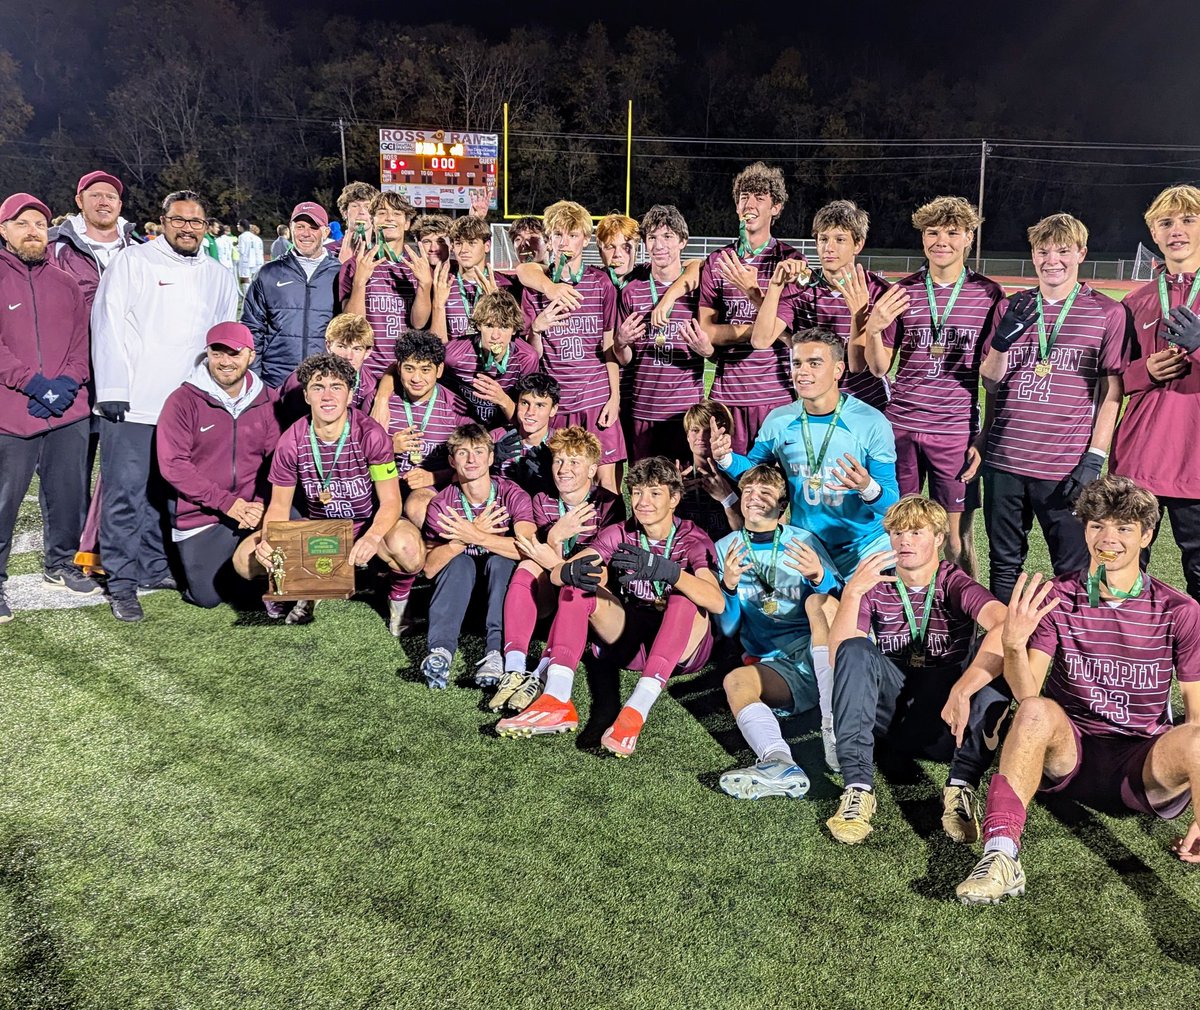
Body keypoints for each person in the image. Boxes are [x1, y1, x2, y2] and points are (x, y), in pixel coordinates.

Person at [956, 475, 1200, 904]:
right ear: (1084, 530)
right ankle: (1000, 856)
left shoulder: (1179, 610)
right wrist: (1012, 645)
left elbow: (1195, 714)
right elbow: (1028, 695)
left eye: (1123, 528)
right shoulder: (1056, 596)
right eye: (1097, 525)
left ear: (1147, 536)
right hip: (1072, 756)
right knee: (1035, 711)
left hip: (1144, 766)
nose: (1108, 539)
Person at [497, 457, 723, 758]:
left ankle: (634, 712)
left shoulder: (693, 539)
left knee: (684, 598)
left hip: (683, 650)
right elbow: (560, 573)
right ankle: (557, 698)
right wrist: (566, 571)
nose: (643, 502)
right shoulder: (622, 532)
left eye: (655, 493)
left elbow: (716, 602)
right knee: (578, 585)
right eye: (638, 492)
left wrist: (669, 572)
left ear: (674, 499)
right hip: (631, 641)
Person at [825, 496, 1009, 845]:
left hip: (950, 723)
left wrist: (964, 689)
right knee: (854, 648)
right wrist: (852, 593)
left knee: (1003, 651)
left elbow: (1005, 625)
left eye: (915, 532)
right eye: (897, 533)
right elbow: (839, 658)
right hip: (892, 721)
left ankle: (961, 787)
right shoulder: (875, 585)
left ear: (939, 538)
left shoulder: (954, 582)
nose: (904, 541)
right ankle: (857, 789)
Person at [91, 190, 238, 621]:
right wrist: (112, 388)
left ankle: (154, 568)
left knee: (170, 492)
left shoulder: (219, 275)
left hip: (188, 408)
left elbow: (220, 342)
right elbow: (107, 322)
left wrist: (215, 395)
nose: (187, 228)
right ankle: (121, 583)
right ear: (162, 221)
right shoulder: (133, 261)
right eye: (179, 220)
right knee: (125, 494)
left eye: (196, 221)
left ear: (206, 226)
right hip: (135, 403)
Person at [973, 213, 1132, 607]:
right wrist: (1000, 344)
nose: (1052, 260)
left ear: (1081, 253)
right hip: (1005, 459)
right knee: (1004, 565)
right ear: (1033, 255)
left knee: (1075, 566)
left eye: (1062, 251)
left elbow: (1112, 392)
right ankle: (1005, 639)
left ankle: (1077, 638)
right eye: (1043, 251)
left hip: (1064, 464)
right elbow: (990, 381)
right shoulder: (1012, 307)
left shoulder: (1107, 312)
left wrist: (1094, 458)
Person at [857, 196, 1004, 574]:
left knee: (956, 541)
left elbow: (993, 380)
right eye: (932, 232)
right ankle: (896, 606)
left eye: (952, 232)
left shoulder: (989, 294)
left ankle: (961, 610)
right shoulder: (901, 291)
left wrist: (984, 435)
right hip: (901, 428)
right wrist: (872, 330)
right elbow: (878, 367)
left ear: (969, 237)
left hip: (954, 431)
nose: (941, 241)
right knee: (896, 532)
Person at [233, 352, 423, 624]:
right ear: (306, 395)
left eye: (336, 387)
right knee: (245, 559)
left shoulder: (371, 434)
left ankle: (398, 600)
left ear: (350, 394)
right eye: (318, 387)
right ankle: (299, 590)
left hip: (365, 525)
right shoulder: (291, 441)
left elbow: (391, 502)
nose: (327, 396)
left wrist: (372, 537)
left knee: (408, 549)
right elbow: (278, 506)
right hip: (319, 529)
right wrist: (269, 541)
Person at [712, 328, 897, 580]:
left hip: (866, 548)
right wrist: (725, 458)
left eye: (814, 363)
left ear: (838, 370)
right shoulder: (779, 420)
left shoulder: (871, 422)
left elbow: (891, 505)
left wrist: (866, 486)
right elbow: (754, 475)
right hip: (807, 547)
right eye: (797, 363)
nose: (802, 372)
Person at [714, 465, 840, 799]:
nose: (754, 497)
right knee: (735, 681)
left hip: (821, 650)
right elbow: (728, 627)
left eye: (765, 492)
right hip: (778, 666)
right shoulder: (724, 548)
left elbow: (839, 605)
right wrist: (728, 587)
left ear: (782, 506)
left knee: (818, 603)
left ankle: (834, 725)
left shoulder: (803, 541)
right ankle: (778, 761)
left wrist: (819, 577)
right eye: (748, 491)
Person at [0, 192, 96, 622]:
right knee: (4, 501)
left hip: (66, 410)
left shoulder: (66, 282)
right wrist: (35, 385)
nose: (33, 231)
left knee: (68, 494)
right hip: (11, 411)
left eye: (39, 224)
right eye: (22, 224)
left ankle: (61, 563)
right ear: (4, 230)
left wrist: (66, 385)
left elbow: (81, 343)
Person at [1110, 185, 1200, 601]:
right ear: (1154, 233)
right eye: (1166, 222)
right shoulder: (1135, 301)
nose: (1176, 230)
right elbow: (1110, 379)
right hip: (1139, 458)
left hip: (1194, 462)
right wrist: (1141, 371)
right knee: (1122, 570)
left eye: (1188, 220)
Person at [494, 425, 624, 710]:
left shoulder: (609, 504)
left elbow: (599, 570)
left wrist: (553, 545)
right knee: (527, 566)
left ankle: (540, 672)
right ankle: (514, 668)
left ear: (592, 470)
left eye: (574, 462)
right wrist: (555, 537)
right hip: (551, 593)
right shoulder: (542, 500)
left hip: (590, 601)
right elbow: (539, 556)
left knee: (581, 578)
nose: (564, 469)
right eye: (559, 461)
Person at [156, 322, 280, 608]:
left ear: (251, 355)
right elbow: (174, 465)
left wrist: (261, 503)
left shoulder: (269, 399)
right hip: (204, 514)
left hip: (253, 510)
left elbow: (276, 461)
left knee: (285, 561)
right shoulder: (182, 400)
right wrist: (228, 504)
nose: (225, 361)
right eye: (217, 353)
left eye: (234, 353)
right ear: (207, 354)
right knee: (209, 597)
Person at [690, 162, 800, 453]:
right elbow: (707, 331)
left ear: (776, 207)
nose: (749, 204)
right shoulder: (718, 261)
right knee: (727, 476)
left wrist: (752, 293)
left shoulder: (789, 261)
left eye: (759, 197)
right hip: (727, 395)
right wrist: (758, 330)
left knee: (775, 478)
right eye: (744, 197)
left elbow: (788, 334)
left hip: (776, 395)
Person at [420, 422, 536, 689]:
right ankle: (440, 652)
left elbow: (529, 548)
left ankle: (495, 653)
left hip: (500, 589)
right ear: (452, 461)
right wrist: (462, 539)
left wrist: (478, 536)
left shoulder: (511, 494)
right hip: (459, 591)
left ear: (491, 457)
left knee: (501, 560)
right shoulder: (442, 504)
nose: (471, 460)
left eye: (479, 452)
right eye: (463, 453)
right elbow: (429, 569)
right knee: (458, 562)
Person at [372, 330, 473, 635]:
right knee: (406, 548)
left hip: (427, 496)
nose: (417, 378)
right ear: (398, 367)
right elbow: (354, 458)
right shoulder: (381, 403)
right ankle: (399, 604)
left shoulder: (456, 408)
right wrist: (388, 447)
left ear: (439, 370)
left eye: (426, 369)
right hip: (385, 497)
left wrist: (434, 476)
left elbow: (472, 464)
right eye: (409, 368)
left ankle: (444, 588)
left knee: (420, 507)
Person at [522, 200, 624, 491]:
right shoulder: (536, 287)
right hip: (559, 402)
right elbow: (534, 356)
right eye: (558, 234)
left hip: (596, 397)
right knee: (562, 482)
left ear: (586, 239)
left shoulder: (601, 283)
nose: (564, 242)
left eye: (573, 234)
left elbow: (608, 344)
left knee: (605, 482)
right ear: (548, 238)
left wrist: (614, 397)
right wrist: (537, 328)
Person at [752, 199, 891, 411]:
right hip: (818, 406)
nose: (829, 248)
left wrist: (860, 314)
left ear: (858, 244)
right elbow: (761, 340)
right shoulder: (800, 287)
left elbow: (860, 366)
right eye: (823, 239)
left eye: (840, 239)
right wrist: (776, 285)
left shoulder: (879, 291)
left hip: (867, 404)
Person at [614, 205, 706, 462]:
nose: (659, 245)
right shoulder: (632, 291)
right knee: (643, 483)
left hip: (685, 413)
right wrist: (621, 341)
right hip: (643, 410)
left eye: (668, 236)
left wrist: (707, 349)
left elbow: (713, 351)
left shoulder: (698, 290)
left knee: (684, 483)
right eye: (652, 237)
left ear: (683, 241)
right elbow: (624, 358)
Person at [241, 201, 340, 388]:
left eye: (313, 227)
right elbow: (252, 329)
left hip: (324, 381)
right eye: (300, 226)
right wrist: (255, 379)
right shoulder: (269, 273)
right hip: (275, 381)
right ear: (291, 228)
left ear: (326, 232)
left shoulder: (340, 274)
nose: (306, 233)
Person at [339, 191, 433, 386]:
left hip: (405, 371)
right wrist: (359, 282)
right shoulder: (354, 265)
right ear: (373, 220)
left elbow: (419, 323)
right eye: (382, 213)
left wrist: (425, 285)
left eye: (397, 213)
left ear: (407, 223)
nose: (389, 218)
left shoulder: (418, 266)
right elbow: (352, 323)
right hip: (365, 370)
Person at [442, 289, 539, 427]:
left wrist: (502, 399)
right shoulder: (453, 354)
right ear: (478, 325)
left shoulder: (526, 358)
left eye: (504, 327)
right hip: (464, 428)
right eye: (489, 326)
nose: (495, 336)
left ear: (514, 330)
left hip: (505, 429)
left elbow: (527, 418)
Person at [47, 171, 138, 310]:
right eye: (95, 195)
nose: (104, 202)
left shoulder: (137, 249)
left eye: (111, 197)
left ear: (119, 205)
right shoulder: (54, 248)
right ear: (80, 201)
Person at [279, 314, 378, 426]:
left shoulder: (371, 386)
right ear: (328, 346)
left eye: (357, 349)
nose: (348, 356)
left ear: (367, 352)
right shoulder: (299, 381)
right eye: (341, 346)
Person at [432, 215, 510, 342]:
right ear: (452, 247)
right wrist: (438, 305)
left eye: (472, 242)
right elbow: (436, 343)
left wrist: (495, 302)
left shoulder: (505, 285)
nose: (464, 250)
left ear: (487, 246)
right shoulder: (443, 282)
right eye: (458, 243)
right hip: (452, 354)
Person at [678, 399, 742, 543]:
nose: (701, 437)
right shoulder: (677, 474)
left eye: (708, 431)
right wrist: (670, 496)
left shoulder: (737, 475)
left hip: (726, 551)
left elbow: (744, 532)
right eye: (695, 430)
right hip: (685, 551)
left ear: (724, 436)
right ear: (687, 436)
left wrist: (727, 498)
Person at [489, 372, 560, 496]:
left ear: (553, 409)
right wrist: (487, 459)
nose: (530, 412)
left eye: (540, 405)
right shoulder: (496, 437)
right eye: (525, 403)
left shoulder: (562, 444)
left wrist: (552, 478)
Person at [332, 181, 378, 263]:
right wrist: (342, 263)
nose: (361, 211)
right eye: (355, 206)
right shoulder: (328, 251)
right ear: (345, 212)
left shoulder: (383, 255)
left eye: (367, 207)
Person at [236, 218, 264, 294]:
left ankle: (247, 295)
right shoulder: (256, 237)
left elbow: (241, 250)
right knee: (254, 279)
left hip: (245, 261)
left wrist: (236, 247)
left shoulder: (242, 236)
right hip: (254, 261)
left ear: (242, 226)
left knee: (244, 279)